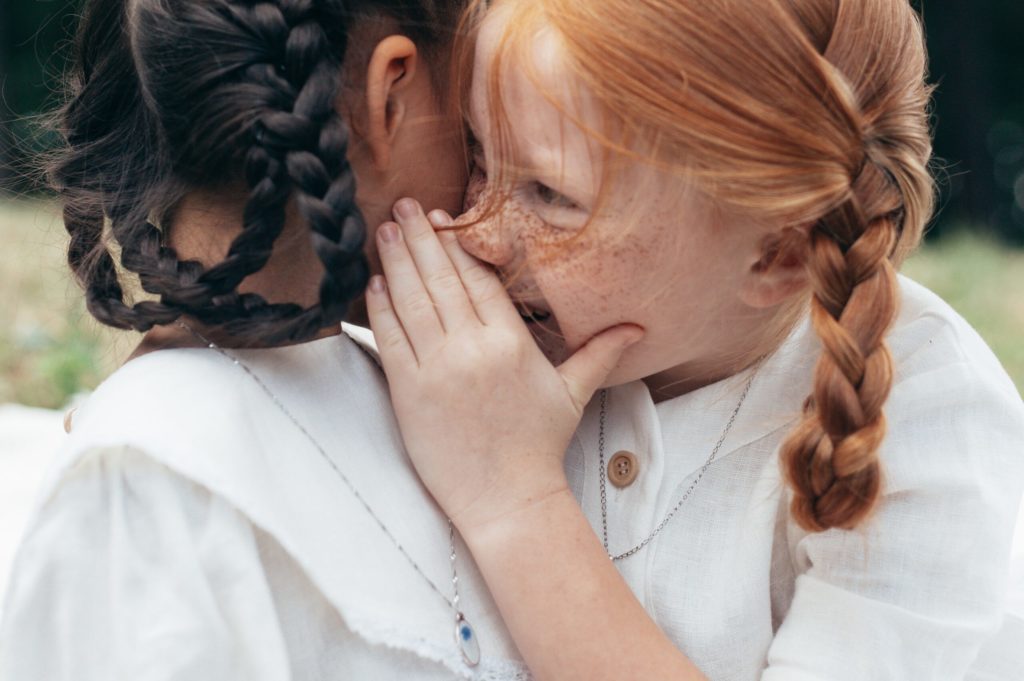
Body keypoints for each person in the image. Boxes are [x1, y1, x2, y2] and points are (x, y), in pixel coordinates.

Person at [364, 0, 1024, 679]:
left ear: (777, 256)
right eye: (475, 151)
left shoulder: (923, 418)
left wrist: (514, 497)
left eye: (550, 194)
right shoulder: (479, 353)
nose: (476, 230)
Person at [0, 0, 530, 678]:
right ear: (390, 98)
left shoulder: (430, 386)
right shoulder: (147, 486)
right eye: (479, 127)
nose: (493, 180)